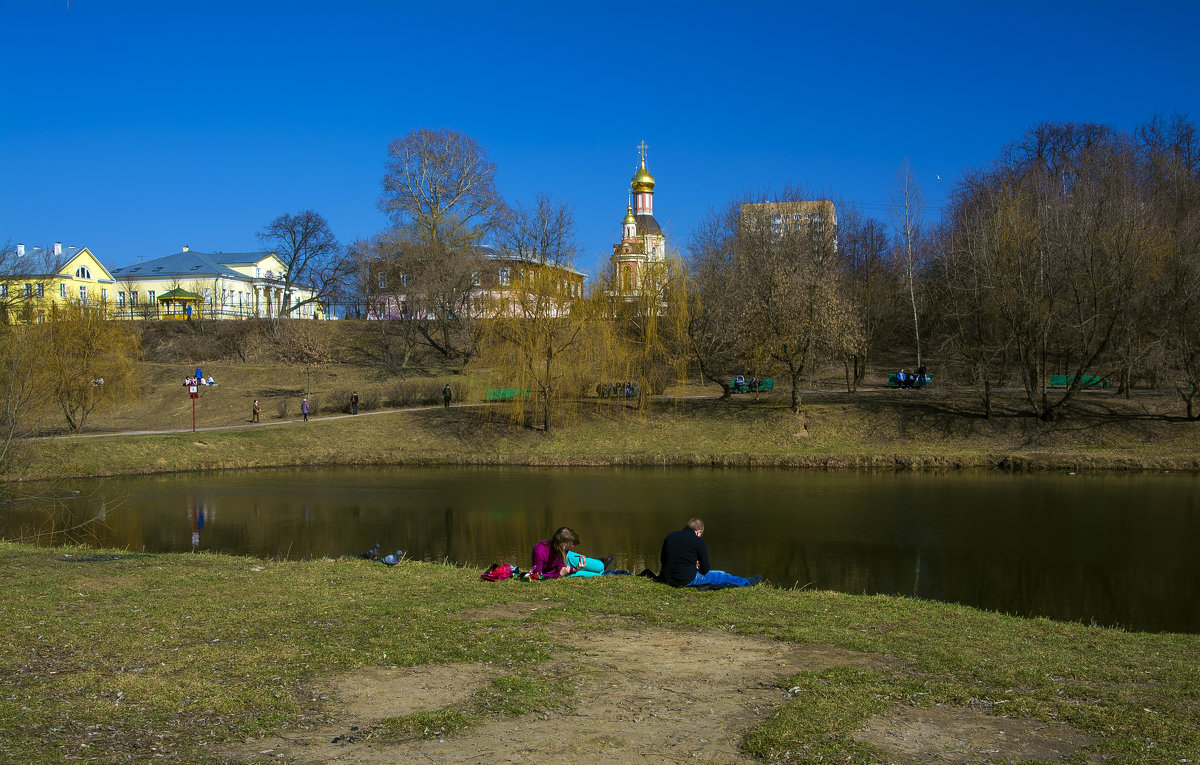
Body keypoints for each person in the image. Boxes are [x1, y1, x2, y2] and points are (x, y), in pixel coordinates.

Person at [658, 517, 760, 588]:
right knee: (722, 575)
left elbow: (663, 559)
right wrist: (696, 567)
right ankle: (746, 583)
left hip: (666, 578)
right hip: (684, 580)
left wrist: (692, 563)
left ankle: (744, 582)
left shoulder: (670, 536)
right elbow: (705, 569)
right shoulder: (698, 540)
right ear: (698, 532)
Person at [529, 526, 611, 579]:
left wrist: (576, 569)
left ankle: (601, 562)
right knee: (598, 575)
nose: (572, 547)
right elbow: (536, 576)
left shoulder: (563, 549)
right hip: (557, 567)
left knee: (599, 567)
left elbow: (561, 567)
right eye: (570, 546)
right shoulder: (539, 551)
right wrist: (560, 574)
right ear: (562, 545)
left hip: (567, 558)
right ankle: (599, 568)